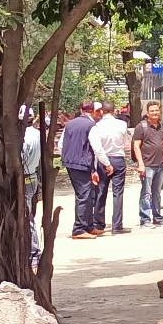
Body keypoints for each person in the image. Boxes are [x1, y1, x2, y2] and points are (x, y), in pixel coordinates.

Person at [61, 101, 102, 239]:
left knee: (87, 194)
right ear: (93, 111)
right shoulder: (91, 126)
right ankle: (79, 229)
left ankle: (89, 226)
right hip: (82, 164)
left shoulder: (70, 124)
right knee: (84, 195)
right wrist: (107, 164)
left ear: (81, 109)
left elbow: (61, 143)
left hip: (71, 162)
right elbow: (97, 148)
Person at [91, 102, 132, 233]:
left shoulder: (97, 126)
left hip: (103, 160)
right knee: (118, 193)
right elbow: (125, 141)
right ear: (114, 111)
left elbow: (97, 148)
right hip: (118, 158)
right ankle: (117, 225)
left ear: (102, 111)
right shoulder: (122, 124)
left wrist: (104, 162)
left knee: (101, 192)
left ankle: (98, 224)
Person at [132, 104, 163, 227]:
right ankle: (145, 219)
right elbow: (136, 146)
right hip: (147, 165)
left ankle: (157, 217)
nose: (155, 112)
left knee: (157, 192)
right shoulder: (141, 127)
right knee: (146, 193)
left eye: (156, 110)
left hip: (160, 165)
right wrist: (141, 164)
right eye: (152, 111)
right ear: (147, 113)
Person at [20, 107, 43, 264]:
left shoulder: (23, 137)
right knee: (29, 214)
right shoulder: (38, 134)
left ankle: (33, 251)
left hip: (24, 177)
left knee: (27, 217)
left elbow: (20, 160)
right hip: (33, 176)